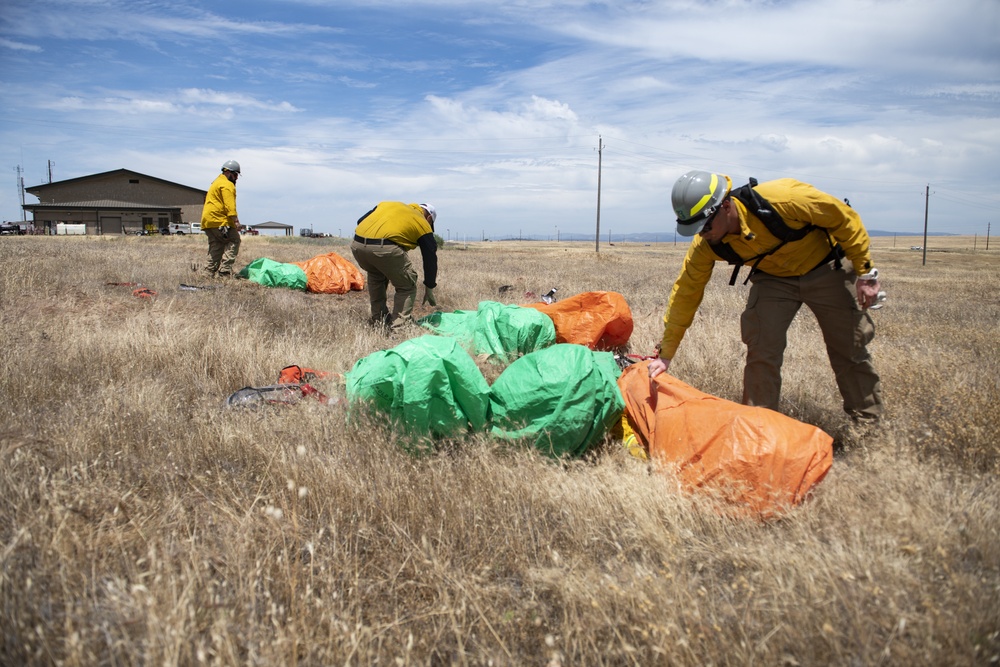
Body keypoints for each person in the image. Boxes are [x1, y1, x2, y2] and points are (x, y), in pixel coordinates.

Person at [647, 170, 884, 422]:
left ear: (726, 206)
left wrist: (865, 272)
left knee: (848, 347)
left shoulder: (784, 199)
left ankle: (866, 424)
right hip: (774, 279)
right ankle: (759, 428)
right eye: (695, 229)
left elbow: (844, 219)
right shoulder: (706, 244)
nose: (702, 233)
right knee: (761, 350)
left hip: (826, 266)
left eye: (705, 225)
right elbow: (686, 292)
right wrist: (666, 354)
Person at [351, 201, 438, 329]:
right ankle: (399, 328)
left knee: (376, 277)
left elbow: (360, 221)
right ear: (429, 218)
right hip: (384, 249)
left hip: (357, 246)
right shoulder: (422, 222)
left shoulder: (387, 205)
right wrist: (429, 286)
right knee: (406, 286)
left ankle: (378, 321)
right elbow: (430, 255)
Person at [200, 160, 242, 277]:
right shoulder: (227, 185)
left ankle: (208, 272)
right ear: (228, 172)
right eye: (235, 175)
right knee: (234, 240)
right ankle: (224, 271)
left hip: (208, 222)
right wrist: (236, 221)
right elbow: (230, 205)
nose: (236, 178)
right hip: (220, 221)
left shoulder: (216, 182)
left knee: (217, 245)